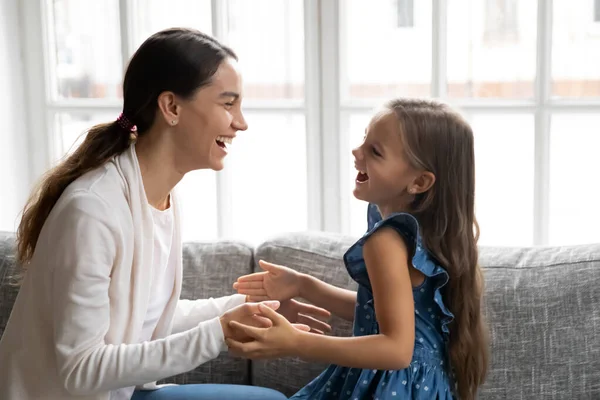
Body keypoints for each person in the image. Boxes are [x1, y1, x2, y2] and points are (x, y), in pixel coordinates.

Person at [0, 28, 331, 400]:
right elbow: (81, 370)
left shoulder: (159, 196)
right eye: (227, 104)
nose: (241, 122)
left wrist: (247, 307)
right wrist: (218, 333)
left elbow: (141, 319)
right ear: (172, 107)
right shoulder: (92, 211)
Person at [231, 98, 490, 399]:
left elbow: (396, 350)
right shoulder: (430, 231)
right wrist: (304, 285)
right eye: (364, 139)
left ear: (419, 181)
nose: (357, 152)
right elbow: (384, 310)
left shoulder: (387, 241)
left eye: (375, 151)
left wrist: (296, 342)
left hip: (390, 387)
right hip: (424, 389)